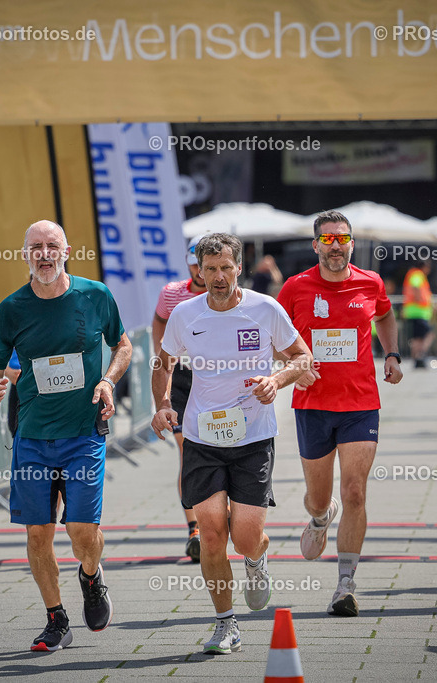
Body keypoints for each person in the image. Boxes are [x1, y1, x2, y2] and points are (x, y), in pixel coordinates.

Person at [151, 233, 311, 655]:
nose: (218, 277)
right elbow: (163, 363)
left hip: (253, 436)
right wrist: (163, 403)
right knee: (210, 533)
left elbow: (303, 357)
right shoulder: (185, 314)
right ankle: (225, 624)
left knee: (243, 537)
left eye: (225, 267)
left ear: (239, 266)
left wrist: (276, 381)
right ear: (198, 272)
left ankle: (256, 560)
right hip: (203, 436)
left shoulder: (265, 308)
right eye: (210, 269)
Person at [0, 220, 131, 653]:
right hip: (33, 437)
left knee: (82, 532)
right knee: (37, 535)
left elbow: (123, 345)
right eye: (36, 247)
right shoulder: (11, 309)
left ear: (66, 251)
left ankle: (90, 575)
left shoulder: (95, 295)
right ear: (25, 254)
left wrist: (107, 381)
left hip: (83, 434)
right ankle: (56, 618)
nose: (44, 254)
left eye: (52, 246)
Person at [276, 210, 403, 617]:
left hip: (360, 403)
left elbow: (383, 314)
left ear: (352, 243)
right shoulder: (295, 288)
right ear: (315, 245)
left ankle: (345, 584)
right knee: (319, 498)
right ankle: (319, 517)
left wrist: (393, 354)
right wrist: (294, 369)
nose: (335, 246)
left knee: (354, 491)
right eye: (327, 240)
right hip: (312, 406)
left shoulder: (371, 282)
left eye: (342, 239)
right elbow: (273, 336)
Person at [151, 234, 208, 562]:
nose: (201, 270)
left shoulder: (224, 292)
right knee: (188, 450)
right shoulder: (172, 293)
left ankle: (219, 512)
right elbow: (159, 321)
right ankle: (194, 529)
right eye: (195, 262)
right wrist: (163, 357)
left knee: (217, 446)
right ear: (189, 263)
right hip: (182, 378)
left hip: (215, 376)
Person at [402, 260, 434, 368]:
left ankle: (417, 359)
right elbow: (415, 287)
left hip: (414, 311)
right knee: (428, 334)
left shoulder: (413, 273)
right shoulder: (417, 274)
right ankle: (419, 356)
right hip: (418, 311)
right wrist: (419, 298)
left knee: (417, 338)